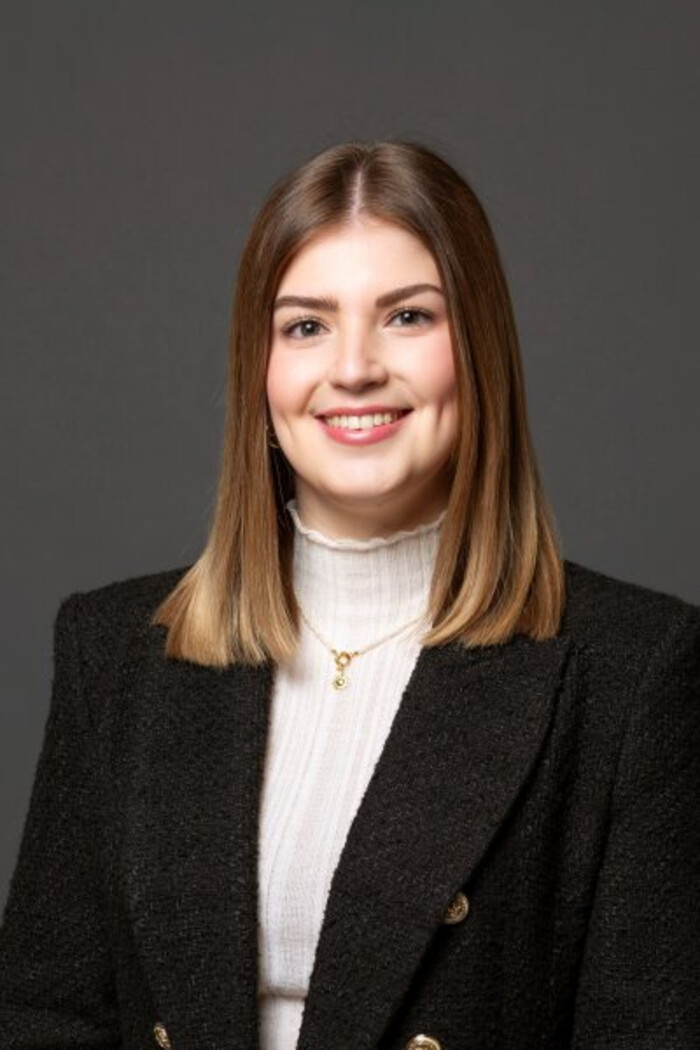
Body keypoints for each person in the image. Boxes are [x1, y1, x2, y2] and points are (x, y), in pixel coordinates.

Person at [0, 139, 698, 1050]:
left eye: (408, 316)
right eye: (306, 326)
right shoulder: (115, 651)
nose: (355, 367)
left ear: (479, 350)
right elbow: (45, 1016)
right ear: (259, 368)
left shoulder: (635, 671)